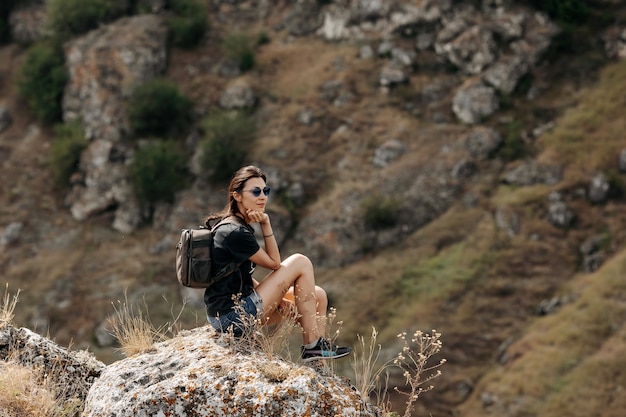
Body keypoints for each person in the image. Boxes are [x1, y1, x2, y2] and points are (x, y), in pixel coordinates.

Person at [203, 165, 352, 362]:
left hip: (234, 312)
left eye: (266, 191)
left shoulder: (237, 226)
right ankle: (312, 347)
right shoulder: (234, 232)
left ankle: (318, 360)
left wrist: (280, 301)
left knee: (318, 296)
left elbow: (241, 276)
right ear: (237, 196)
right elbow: (275, 263)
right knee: (300, 261)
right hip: (231, 318)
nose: (263, 196)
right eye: (255, 191)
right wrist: (266, 224)